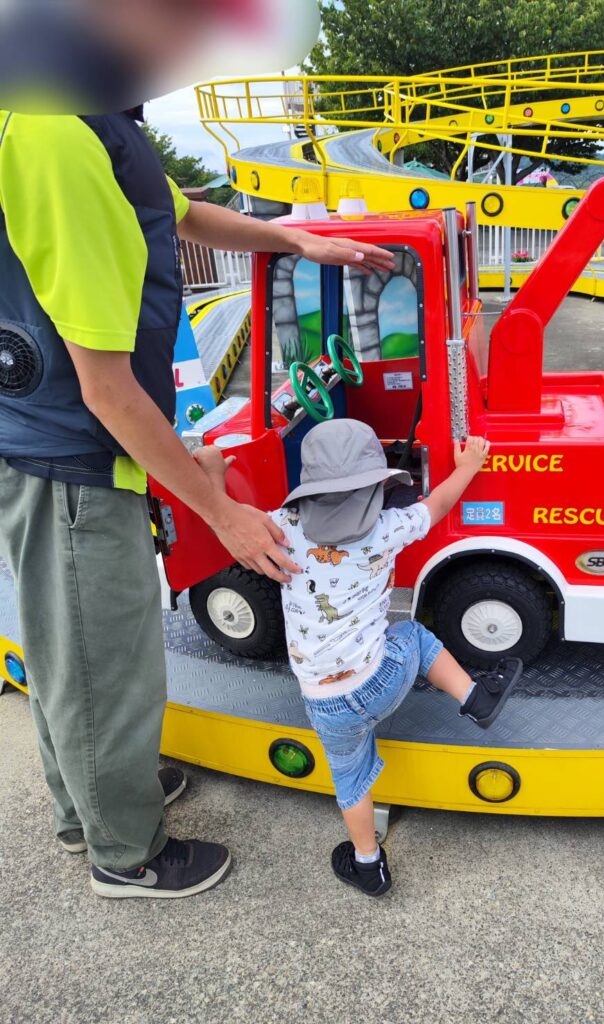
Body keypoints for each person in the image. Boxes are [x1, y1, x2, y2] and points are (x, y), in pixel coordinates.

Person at [0, 0, 395, 899]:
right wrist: (221, 509)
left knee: (79, 653)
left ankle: (99, 796)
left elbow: (181, 212)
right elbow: (104, 386)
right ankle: (123, 852)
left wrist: (295, 238)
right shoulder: (56, 129)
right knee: (104, 662)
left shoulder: (95, 113)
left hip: (82, 434)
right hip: (72, 450)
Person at [196, 420, 523, 897]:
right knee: (409, 632)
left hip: (323, 701)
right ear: (376, 486)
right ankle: (477, 697)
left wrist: (210, 476)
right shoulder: (388, 528)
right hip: (381, 679)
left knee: (349, 782)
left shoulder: (280, 528)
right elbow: (440, 503)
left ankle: (368, 864)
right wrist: (469, 464)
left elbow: (224, 515)